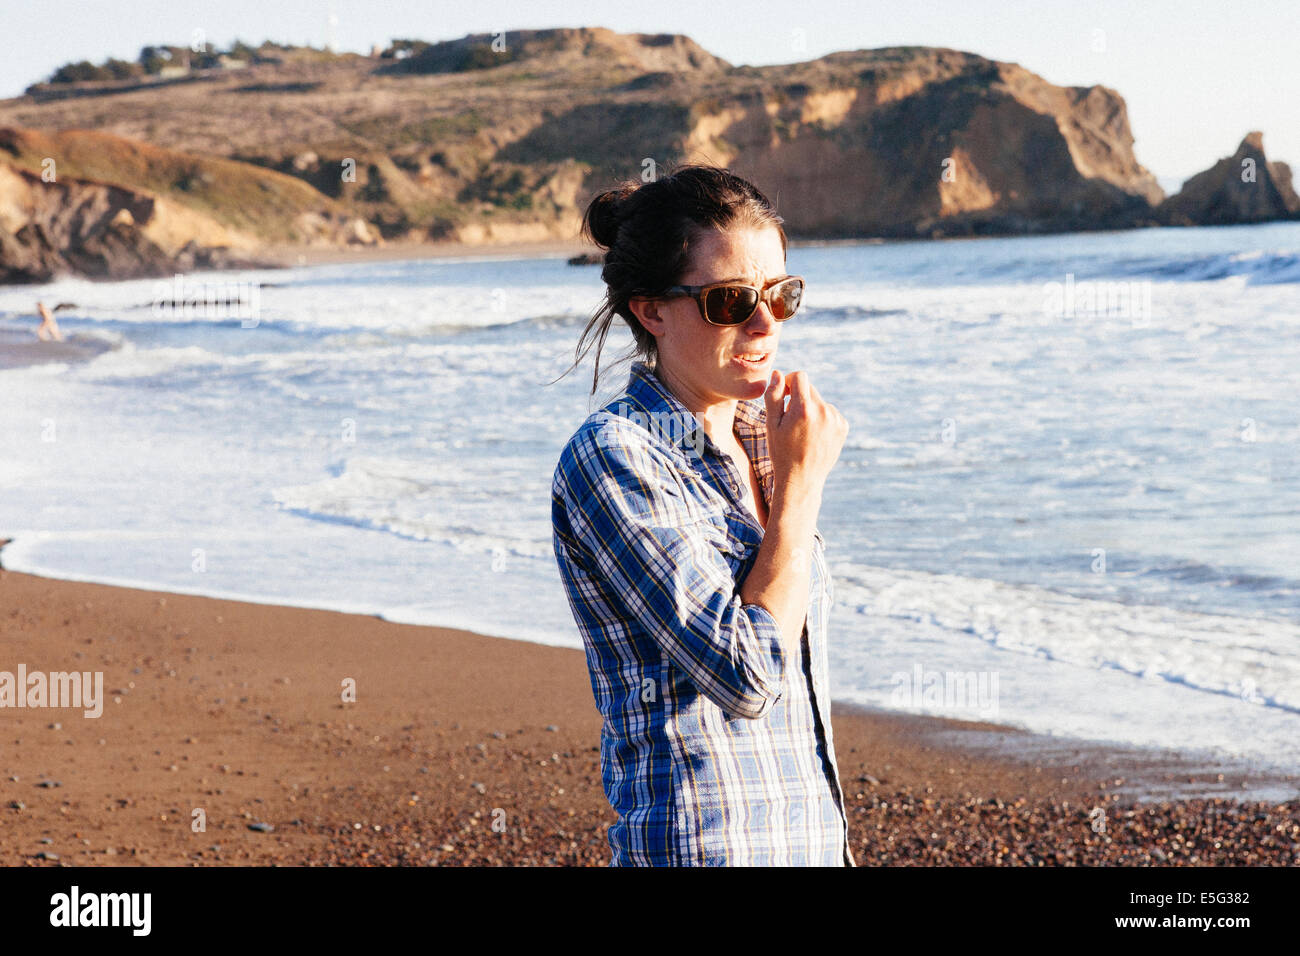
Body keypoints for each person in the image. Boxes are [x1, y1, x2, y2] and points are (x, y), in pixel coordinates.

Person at [550, 164, 855, 866]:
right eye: (729, 300)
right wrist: (801, 490)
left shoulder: (765, 439)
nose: (764, 322)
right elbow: (745, 675)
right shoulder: (615, 457)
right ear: (650, 309)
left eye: (780, 294)